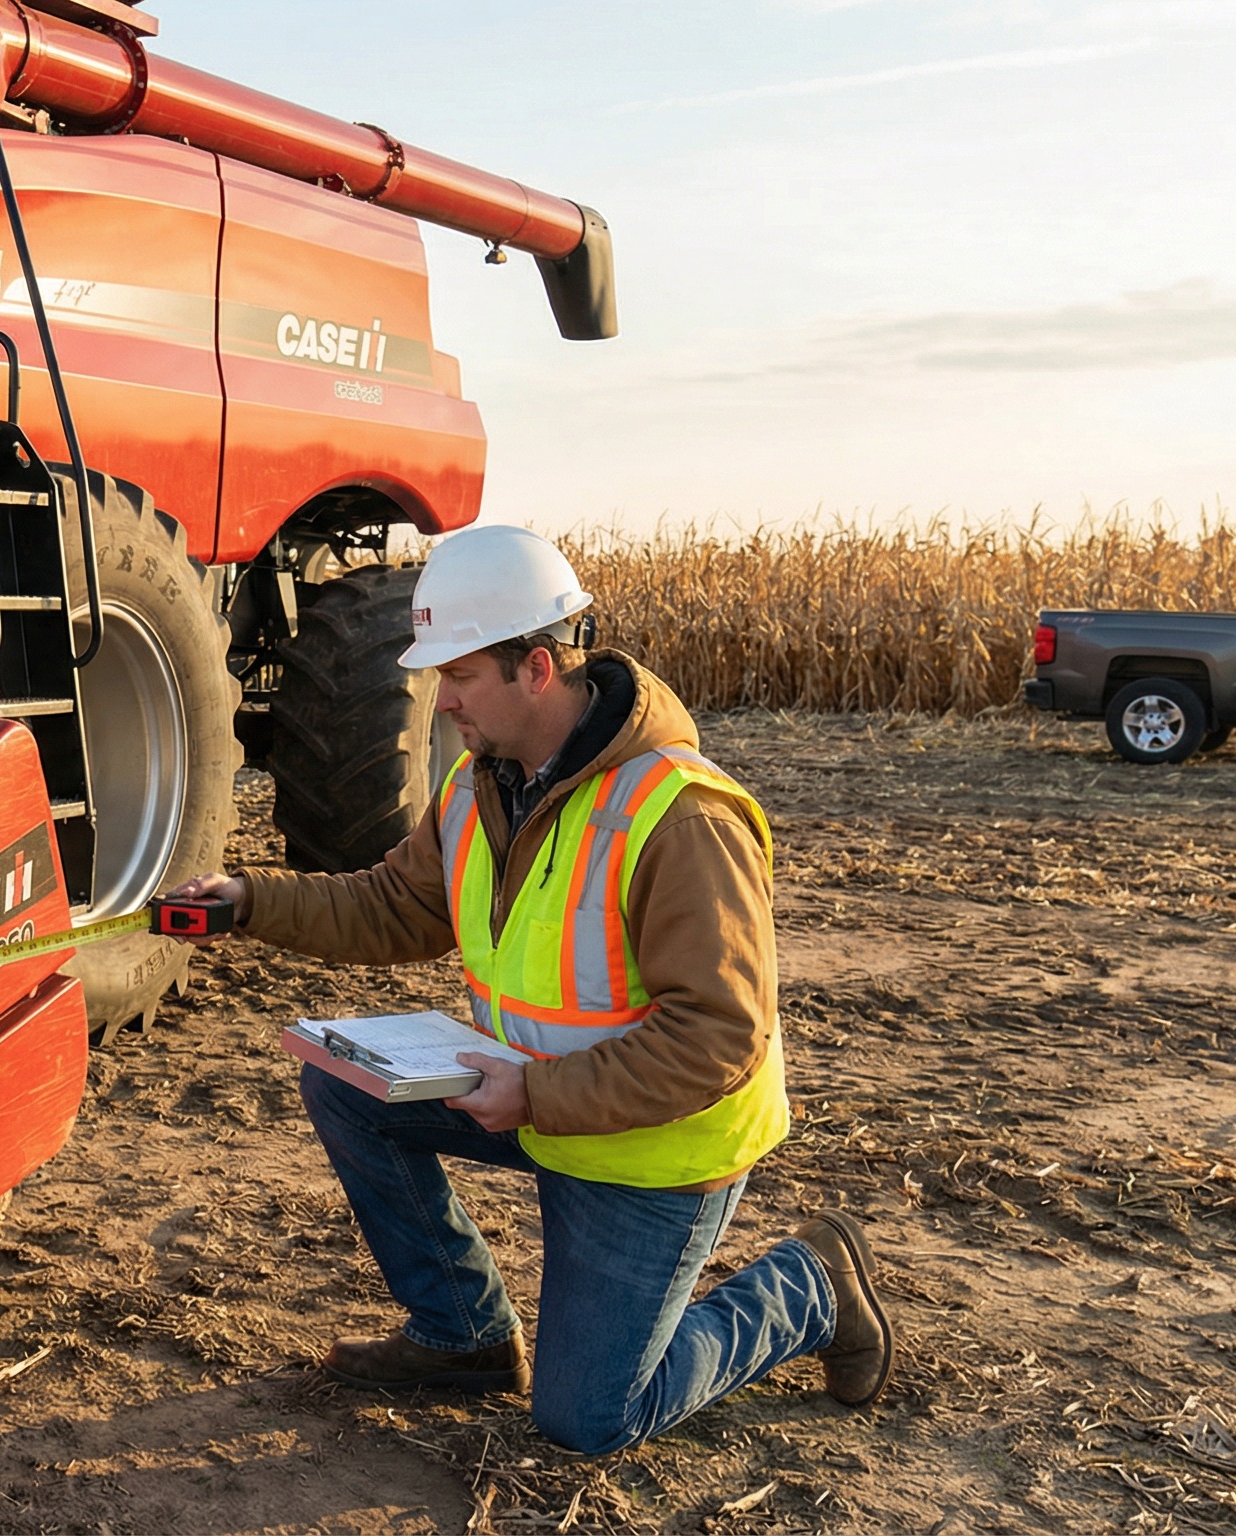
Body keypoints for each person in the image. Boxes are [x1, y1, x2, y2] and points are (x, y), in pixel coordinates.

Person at [163, 525, 892, 1455]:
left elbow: (717, 1035)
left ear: (536, 667)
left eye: (460, 677)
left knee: (590, 1419)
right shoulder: (480, 786)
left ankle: (811, 1287)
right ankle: (462, 1336)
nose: (445, 700)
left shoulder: (683, 815)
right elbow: (396, 905)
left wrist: (536, 1093)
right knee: (344, 1081)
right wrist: (250, 901)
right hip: (541, 1106)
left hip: (654, 1148)